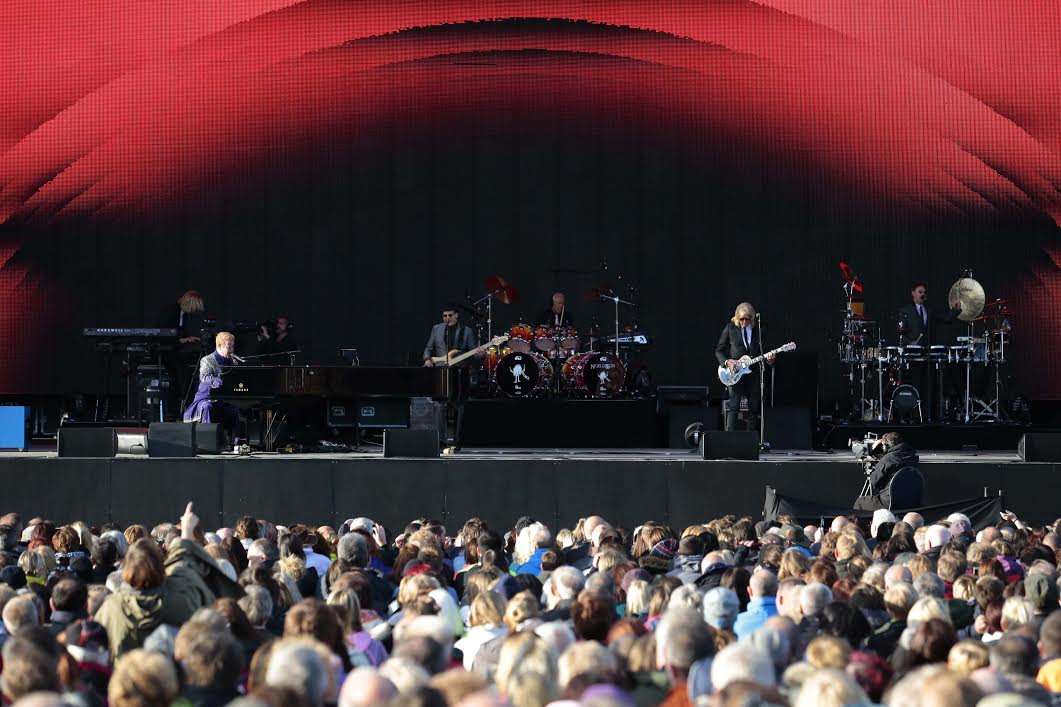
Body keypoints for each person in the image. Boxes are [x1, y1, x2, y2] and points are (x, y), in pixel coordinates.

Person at [715, 302, 774, 433]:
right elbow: (719, 350)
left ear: (752, 318)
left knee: (753, 407)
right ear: (737, 317)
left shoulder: (758, 330)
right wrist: (727, 362)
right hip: (735, 373)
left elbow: (765, 351)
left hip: (753, 373)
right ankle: (729, 438)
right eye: (741, 319)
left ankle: (751, 440)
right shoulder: (730, 328)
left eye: (747, 319)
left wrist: (770, 359)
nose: (744, 321)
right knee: (734, 405)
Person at [182, 331, 240, 438]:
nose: (231, 349)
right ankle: (208, 440)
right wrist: (217, 381)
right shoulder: (207, 360)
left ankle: (235, 442)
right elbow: (204, 377)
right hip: (205, 398)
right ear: (219, 346)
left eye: (233, 346)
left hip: (222, 399)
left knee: (234, 409)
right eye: (229, 346)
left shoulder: (232, 361)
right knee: (207, 407)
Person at [853, 432, 921, 511]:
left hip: (890, 502)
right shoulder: (913, 456)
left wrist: (876, 463)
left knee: (860, 502)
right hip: (911, 501)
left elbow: (874, 482)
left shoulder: (888, 459)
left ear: (886, 445)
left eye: (883, 446)